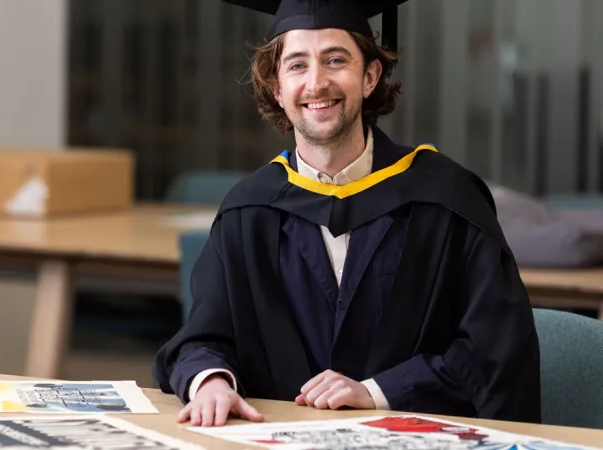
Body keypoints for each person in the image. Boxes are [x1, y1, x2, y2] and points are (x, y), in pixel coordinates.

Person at [153, 0, 541, 428]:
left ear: (370, 77)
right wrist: (211, 381)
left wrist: (377, 392)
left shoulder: (445, 199)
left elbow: (496, 349)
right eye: (297, 65)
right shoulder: (249, 211)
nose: (316, 83)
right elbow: (204, 336)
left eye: (335, 60)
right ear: (277, 88)